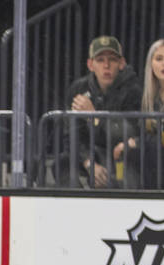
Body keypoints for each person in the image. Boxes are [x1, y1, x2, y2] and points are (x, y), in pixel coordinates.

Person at [51, 36, 141, 188]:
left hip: (119, 156)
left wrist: (94, 116)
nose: (106, 65)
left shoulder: (133, 90)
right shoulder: (78, 89)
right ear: (90, 64)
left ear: (121, 63)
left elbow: (124, 134)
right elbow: (72, 136)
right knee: (62, 163)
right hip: (90, 155)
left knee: (125, 170)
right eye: (100, 60)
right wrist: (89, 163)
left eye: (112, 59)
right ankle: (76, 204)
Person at [113, 39, 164, 189]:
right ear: (150, 64)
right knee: (128, 153)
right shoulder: (150, 96)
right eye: (159, 59)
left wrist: (137, 142)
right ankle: (128, 198)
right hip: (160, 161)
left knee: (144, 153)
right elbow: (145, 132)